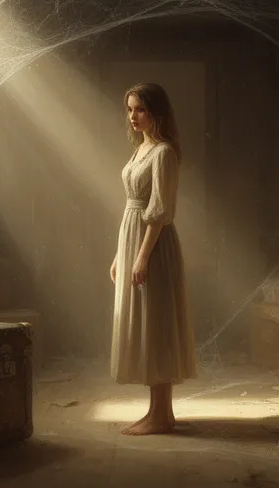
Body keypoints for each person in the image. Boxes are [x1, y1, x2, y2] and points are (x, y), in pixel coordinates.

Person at [109, 82, 198, 436]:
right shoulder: (141, 149)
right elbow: (132, 206)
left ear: (157, 112)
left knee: (156, 325)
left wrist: (142, 257)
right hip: (133, 238)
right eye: (130, 109)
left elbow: (161, 211)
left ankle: (161, 416)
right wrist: (121, 254)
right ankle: (158, 412)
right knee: (147, 325)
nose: (133, 116)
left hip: (153, 244)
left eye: (140, 109)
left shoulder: (162, 153)